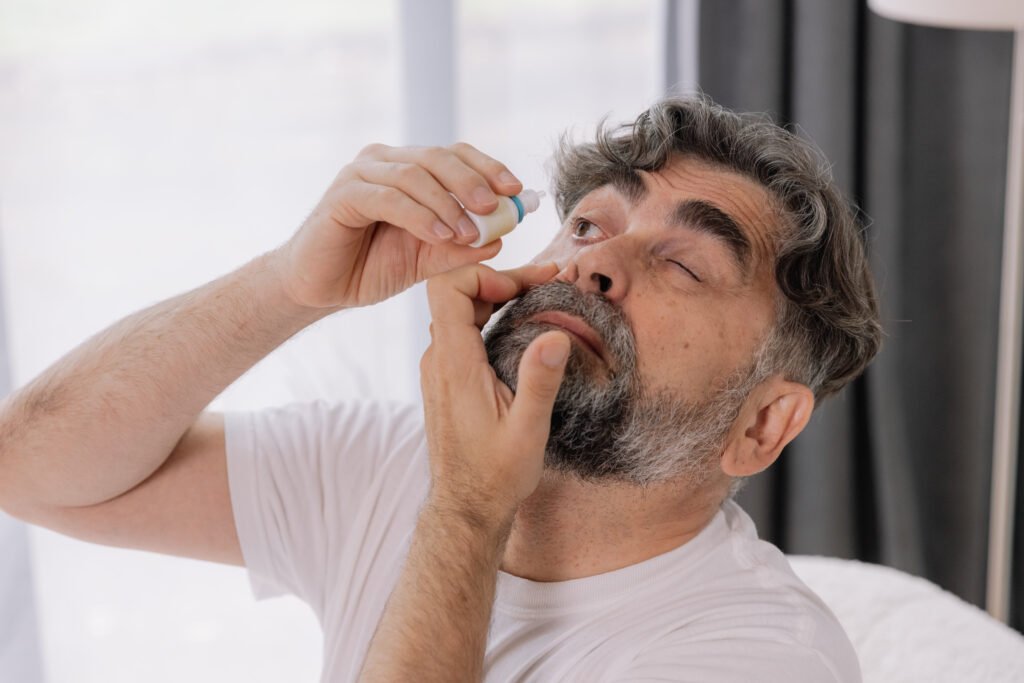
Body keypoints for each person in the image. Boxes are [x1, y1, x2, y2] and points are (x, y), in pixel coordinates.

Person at [0, 94, 880, 682]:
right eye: (587, 223)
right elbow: (31, 465)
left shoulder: (761, 661)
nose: (593, 263)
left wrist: (467, 506)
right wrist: (290, 284)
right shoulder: (394, 462)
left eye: (683, 262)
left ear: (763, 425)